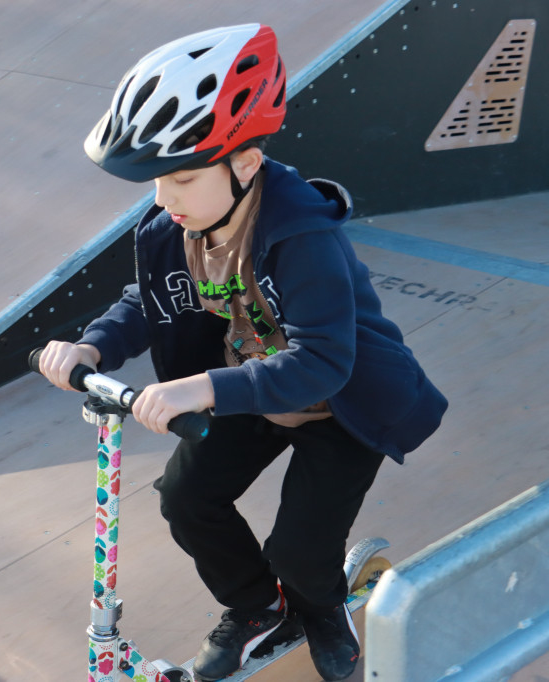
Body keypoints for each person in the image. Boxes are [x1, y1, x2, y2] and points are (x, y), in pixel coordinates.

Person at [37, 24, 447, 682]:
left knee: (301, 550)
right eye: (157, 183)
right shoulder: (178, 226)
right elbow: (150, 300)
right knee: (186, 498)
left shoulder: (302, 236)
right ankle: (256, 607)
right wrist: (92, 343)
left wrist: (199, 389)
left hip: (339, 409)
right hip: (249, 393)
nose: (165, 198)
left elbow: (322, 362)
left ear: (246, 164)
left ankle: (320, 609)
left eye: (183, 178)